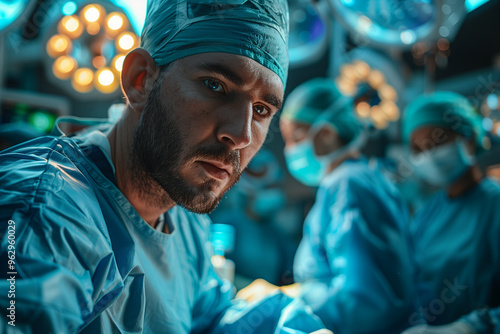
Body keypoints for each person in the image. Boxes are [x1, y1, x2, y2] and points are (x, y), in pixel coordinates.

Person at [0, 1, 332, 333]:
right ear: (140, 80)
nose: (241, 135)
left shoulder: (183, 221)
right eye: (215, 85)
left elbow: (212, 318)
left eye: (261, 109)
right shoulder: (42, 218)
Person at [239, 78, 415, 333]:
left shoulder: (348, 184)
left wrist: (284, 300)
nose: (290, 149)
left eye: (296, 138)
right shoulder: (358, 180)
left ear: (327, 134)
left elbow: (364, 300)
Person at [401, 91, 500, 334]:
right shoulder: (427, 216)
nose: (429, 155)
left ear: (467, 138)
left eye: (437, 141)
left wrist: (471, 327)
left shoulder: (494, 204)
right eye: (418, 148)